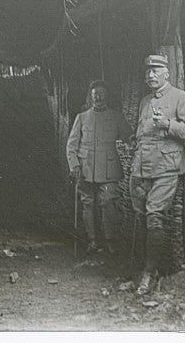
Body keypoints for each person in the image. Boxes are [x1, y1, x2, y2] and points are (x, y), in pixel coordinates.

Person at [128, 53, 185, 295]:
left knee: (154, 215)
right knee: (139, 217)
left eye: (155, 70)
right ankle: (140, 271)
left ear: (167, 73)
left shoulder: (180, 98)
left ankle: (149, 273)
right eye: (147, 71)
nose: (150, 75)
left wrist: (168, 124)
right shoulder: (145, 101)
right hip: (141, 167)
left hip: (165, 168)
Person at [67, 79, 128, 254]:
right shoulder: (82, 117)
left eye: (101, 94)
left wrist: (132, 140)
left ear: (106, 96)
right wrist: (74, 165)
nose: (98, 97)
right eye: (95, 95)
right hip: (85, 169)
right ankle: (92, 240)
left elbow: (128, 135)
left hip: (109, 169)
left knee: (108, 203)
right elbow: (71, 145)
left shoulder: (117, 117)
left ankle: (110, 240)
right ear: (90, 97)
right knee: (88, 204)